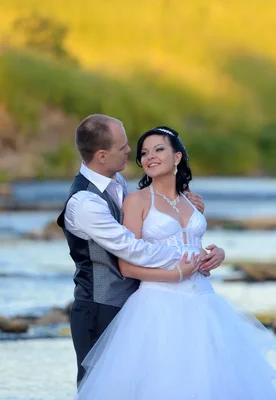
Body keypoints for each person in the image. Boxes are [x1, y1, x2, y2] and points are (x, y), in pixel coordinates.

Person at [75, 126, 276, 399]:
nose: (149, 157)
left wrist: (217, 254)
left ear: (177, 157)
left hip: (204, 304)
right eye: (144, 153)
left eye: (158, 149)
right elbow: (127, 266)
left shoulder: (190, 201)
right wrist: (176, 274)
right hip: (158, 307)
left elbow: (191, 248)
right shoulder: (136, 201)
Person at [57, 114, 224, 385]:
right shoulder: (85, 201)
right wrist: (186, 260)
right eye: (123, 147)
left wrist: (207, 246)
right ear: (101, 155)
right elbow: (131, 248)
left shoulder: (117, 184)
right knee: (101, 388)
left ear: (177, 157)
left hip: (141, 303)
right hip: (100, 306)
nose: (130, 152)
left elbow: (155, 219)